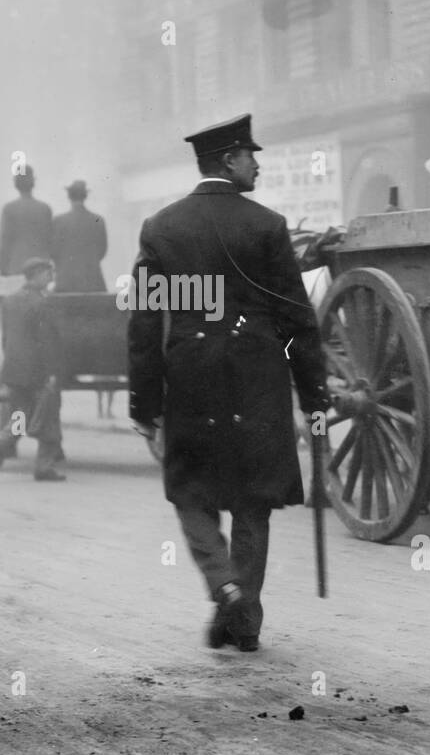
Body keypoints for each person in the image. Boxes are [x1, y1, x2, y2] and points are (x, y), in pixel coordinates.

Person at [128, 113, 329, 653]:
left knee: (190, 492)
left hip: (190, 379)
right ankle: (246, 613)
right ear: (228, 161)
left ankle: (226, 588)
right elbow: (297, 321)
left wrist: (144, 404)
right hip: (257, 378)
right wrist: (314, 396)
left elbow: (145, 322)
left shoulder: (161, 228)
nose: (257, 164)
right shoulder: (266, 226)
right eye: (250, 155)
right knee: (252, 498)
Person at [0, 257, 66, 482]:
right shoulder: (42, 303)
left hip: (15, 371)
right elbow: (46, 341)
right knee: (48, 418)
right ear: (37, 275)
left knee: (20, 417)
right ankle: (44, 467)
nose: (51, 277)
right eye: (48, 273)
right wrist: (52, 373)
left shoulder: (10, 301)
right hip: (38, 371)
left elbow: (7, 336)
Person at [0, 164, 52, 276]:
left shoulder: (9, 209)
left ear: (16, 183)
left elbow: (4, 242)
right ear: (33, 182)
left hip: (16, 269)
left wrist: (0, 268)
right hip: (40, 271)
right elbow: (49, 241)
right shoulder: (45, 209)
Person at [51, 179, 107, 292]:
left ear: (69, 197)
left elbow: (53, 251)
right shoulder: (98, 220)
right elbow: (102, 250)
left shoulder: (58, 221)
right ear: (85, 196)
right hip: (93, 279)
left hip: (65, 279)